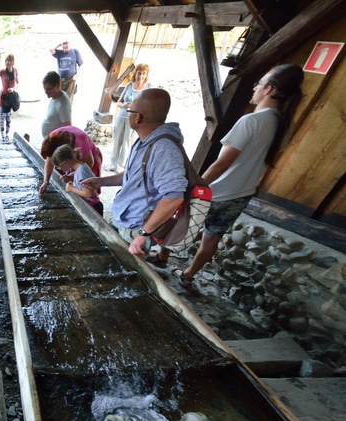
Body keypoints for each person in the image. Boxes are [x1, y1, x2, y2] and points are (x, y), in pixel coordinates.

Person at [171, 64, 304, 289]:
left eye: (258, 84)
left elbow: (222, 163)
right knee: (211, 238)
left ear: (269, 89)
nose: (255, 88)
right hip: (241, 194)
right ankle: (188, 275)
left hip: (216, 192)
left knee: (180, 222)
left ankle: (162, 256)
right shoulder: (285, 125)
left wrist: (196, 186)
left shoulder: (250, 121)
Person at [82, 88, 187, 262]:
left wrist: (144, 233)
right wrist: (100, 182)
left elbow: (174, 197)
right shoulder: (144, 140)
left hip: (136, 227)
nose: (127, 113)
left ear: (137, 117)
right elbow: (132, 176)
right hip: (124, 218)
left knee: (124, 269)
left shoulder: (164, 149)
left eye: (130, 110)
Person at [108, 63, 151, 172]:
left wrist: (136, 107)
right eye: (139, 73)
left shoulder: (147, 88)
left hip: (134, 118)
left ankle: (121, 167)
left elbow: (147, 105)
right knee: (117, 139)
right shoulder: (129, 85)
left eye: (143, 74)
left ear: (146, 75)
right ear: (135, 73)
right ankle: (113, 163)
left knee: (127, 141)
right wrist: (124, 105)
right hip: (122, 115)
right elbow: (118, 103)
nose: (140, 76)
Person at [39, 125, 102, 195]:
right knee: (77, 186)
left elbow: (89, 164)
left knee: (88, 186)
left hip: (90, 158)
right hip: (74, 162)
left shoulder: (80, 140)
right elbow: (49, 163)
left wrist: (71, 176)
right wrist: (45, 181)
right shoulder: (52, 139)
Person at [51, 144, 103, 215]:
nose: (60, 169)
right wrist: (69, 177)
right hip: (90, 205)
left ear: (66, 163)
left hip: (93, 207)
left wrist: (72, 189)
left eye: (59, 167)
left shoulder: (82, 172)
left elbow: (90, 193)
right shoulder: (80, 168)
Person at [0, 53, 19, 143]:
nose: (8, 62)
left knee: (9, 119)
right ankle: (2, 135)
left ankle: (7, 134)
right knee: (2, 118)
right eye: (7, 60)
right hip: (2, 98)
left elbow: (18, 83)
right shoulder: (2, 71)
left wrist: (13, 88)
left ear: (13, 62)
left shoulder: (15, 71)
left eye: (10, 61)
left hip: (11, 99)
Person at [41, 71, 72, 138]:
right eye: (45, 89)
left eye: (49, 89)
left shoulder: (63, 105)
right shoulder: (55, 96)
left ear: (58, 86)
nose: (46, 92)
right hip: (49, 140)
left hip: (54, 143)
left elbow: (68, 129)